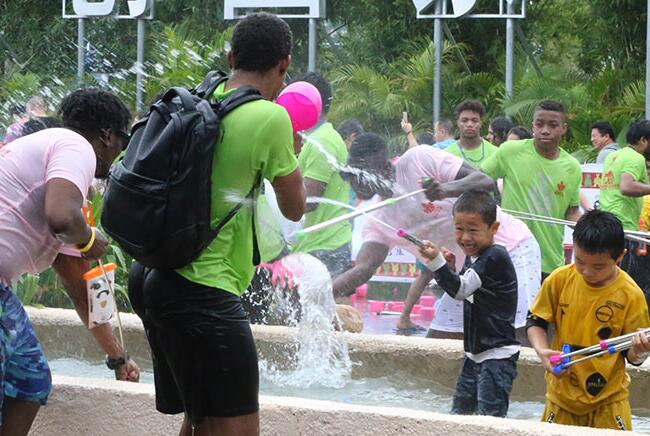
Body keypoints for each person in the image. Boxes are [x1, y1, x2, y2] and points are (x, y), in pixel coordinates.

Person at [128, 13, 305, 436]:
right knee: (237, 430)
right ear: (284, 64)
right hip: (203, 291)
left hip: (153, 275)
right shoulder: (270, 118)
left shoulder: (199, 99)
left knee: (201, 419)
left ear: (230, 56)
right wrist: (290, 155)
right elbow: (295, 207)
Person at [0, 88, 134, 435]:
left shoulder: (55, 162)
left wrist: (118, 358)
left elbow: (78, 286)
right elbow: (61, 218)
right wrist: (91, 238)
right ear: (107, 136)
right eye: (121, 140)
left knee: (29, 379)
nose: (118, 153)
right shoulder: (74, 147)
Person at [333, 135, 540, 344]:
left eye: (358, 174)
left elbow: (484, 181)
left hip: (512, 248)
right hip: (467, 272)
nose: (353, 182)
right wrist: (321, 294)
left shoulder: (417, 159)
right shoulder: (378, 219)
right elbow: (364, 268)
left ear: (380, 166)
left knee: (520, 332)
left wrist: (445, 190)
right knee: (439, 341)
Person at [527, 210, 650, 430]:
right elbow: (536, 321)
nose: (587, 272)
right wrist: (543, 352)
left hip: (609, 402)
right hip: (561, 398)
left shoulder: (631, 295)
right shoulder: (559, 280)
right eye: (579, 261)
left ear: (620, 256)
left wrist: (641, 350)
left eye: (599, 266)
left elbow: (632, 357)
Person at [419, 190, 519, 417]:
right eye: (459, 229)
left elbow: (461, 290)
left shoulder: (494, 256)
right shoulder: (476, 257)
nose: (465, 237)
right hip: (474, 354)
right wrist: (451, 269)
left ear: (493, 228)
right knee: (460, 415)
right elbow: (466, 289)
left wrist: (437, 262)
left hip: (497, 356)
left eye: (473, 230)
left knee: (490, 422)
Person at [481, 100, 582, 280]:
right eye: (539, 124)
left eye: (553, 125)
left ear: (563, 128)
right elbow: (479, 178)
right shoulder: (510, 151)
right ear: (532, 126)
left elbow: (572, 212)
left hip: (549, 261)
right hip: (510, 255)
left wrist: (594, 229)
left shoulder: (572, 167)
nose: (545, 130)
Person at [291, 72, 352, 278]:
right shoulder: (316, 138)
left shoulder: (323, 142)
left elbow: (310, 201)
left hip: (325, 248)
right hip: (317, 244)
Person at [599, 120, 650, 305]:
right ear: (643, 140)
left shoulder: (615, 155)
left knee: (607, 278)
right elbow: (626, 187)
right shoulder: (636, 158)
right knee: (625, 282)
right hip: (624, 228)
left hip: (606, 223)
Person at [446, 100, 497, 167]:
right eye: (464, 120)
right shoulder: (447, 155)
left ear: (480, 123)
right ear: (458, 123)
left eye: (474, 120)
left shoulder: (495, 153)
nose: (469, 124)